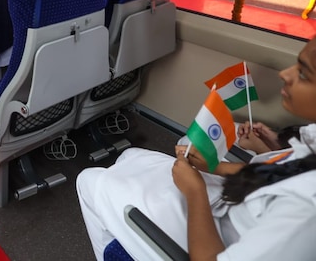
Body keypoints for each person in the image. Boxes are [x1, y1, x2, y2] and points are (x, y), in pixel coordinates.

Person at [77, 35, 316, 260]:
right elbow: (287, 173)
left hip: (215, 237)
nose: (285, 74)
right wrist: (264, 152)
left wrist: (195, 192)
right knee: (131, 156)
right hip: (237, 202)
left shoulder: (305, 212)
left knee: (89, 180)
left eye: (304, 74)